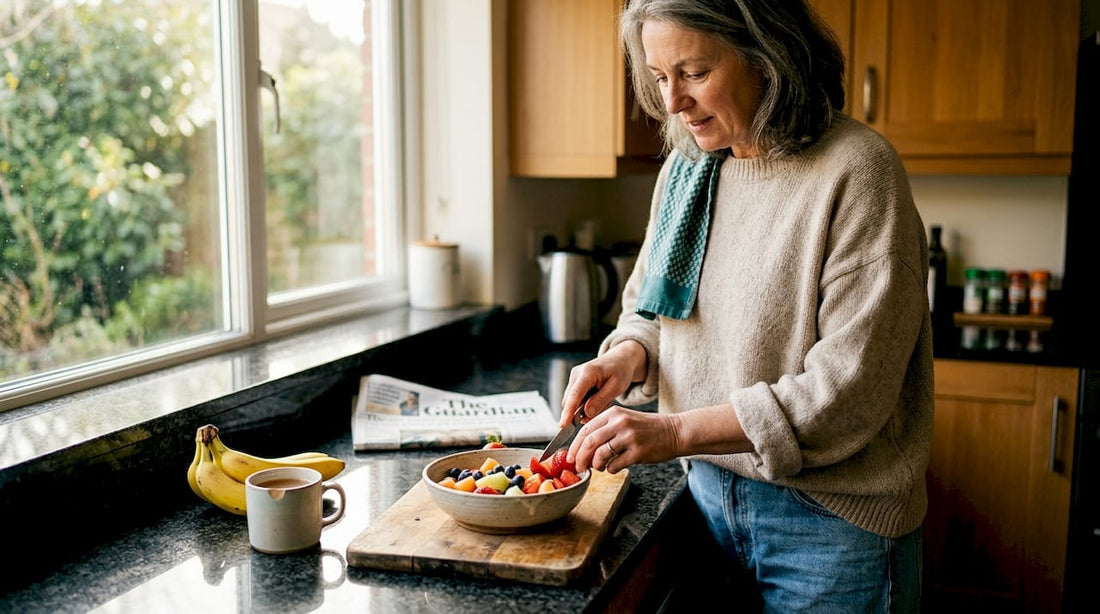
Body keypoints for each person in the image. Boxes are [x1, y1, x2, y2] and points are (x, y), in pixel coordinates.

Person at [560, 0, 933, 611]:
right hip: (705, 499)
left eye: (695, 73)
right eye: (659, 78)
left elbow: (846, 393)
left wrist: (674, 430)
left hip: (830, 526)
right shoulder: (688, 167)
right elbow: (652, 314)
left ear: (768, 57)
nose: (673, 101)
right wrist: (627, 358)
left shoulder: (857, 171)